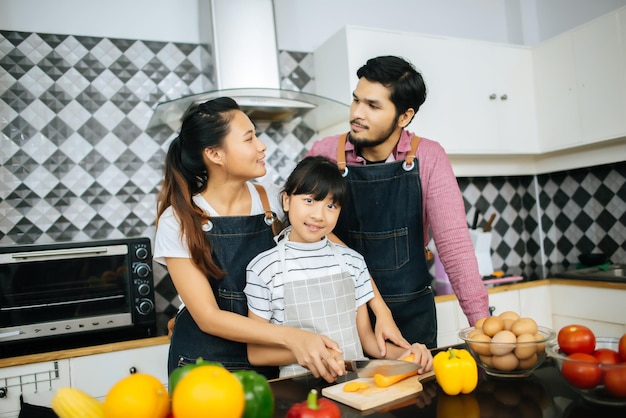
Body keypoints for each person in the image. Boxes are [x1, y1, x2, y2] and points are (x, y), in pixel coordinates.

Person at [153, 97, 410, 382]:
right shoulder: (178, 220)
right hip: (204, 364)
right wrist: (292, 337)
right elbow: (208, 317)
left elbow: (345, 256)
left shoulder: (274, 200)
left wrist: (380, 309)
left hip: (268, 360)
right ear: (215, 154)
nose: (261, 146)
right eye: (249, 138)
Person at [307, 56, 490, 348]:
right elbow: (300, 232)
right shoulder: (324, 153)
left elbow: (454, 245)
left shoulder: (429, 156)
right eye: (356, 101)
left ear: (404, 117)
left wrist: (483, 327)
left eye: (373, 106)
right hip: (338, 316)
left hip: (411, 317)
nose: (357, 113)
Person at [244, 156, 433, 377]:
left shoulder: (353, 262)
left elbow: (369, 343)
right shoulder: (263, 269)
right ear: (286, 201)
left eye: (331, 205)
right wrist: (314, 352)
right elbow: (257, 354)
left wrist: (408, 354)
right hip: (301, 392)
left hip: (356, 387)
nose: (318, 215)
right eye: (309, 201)